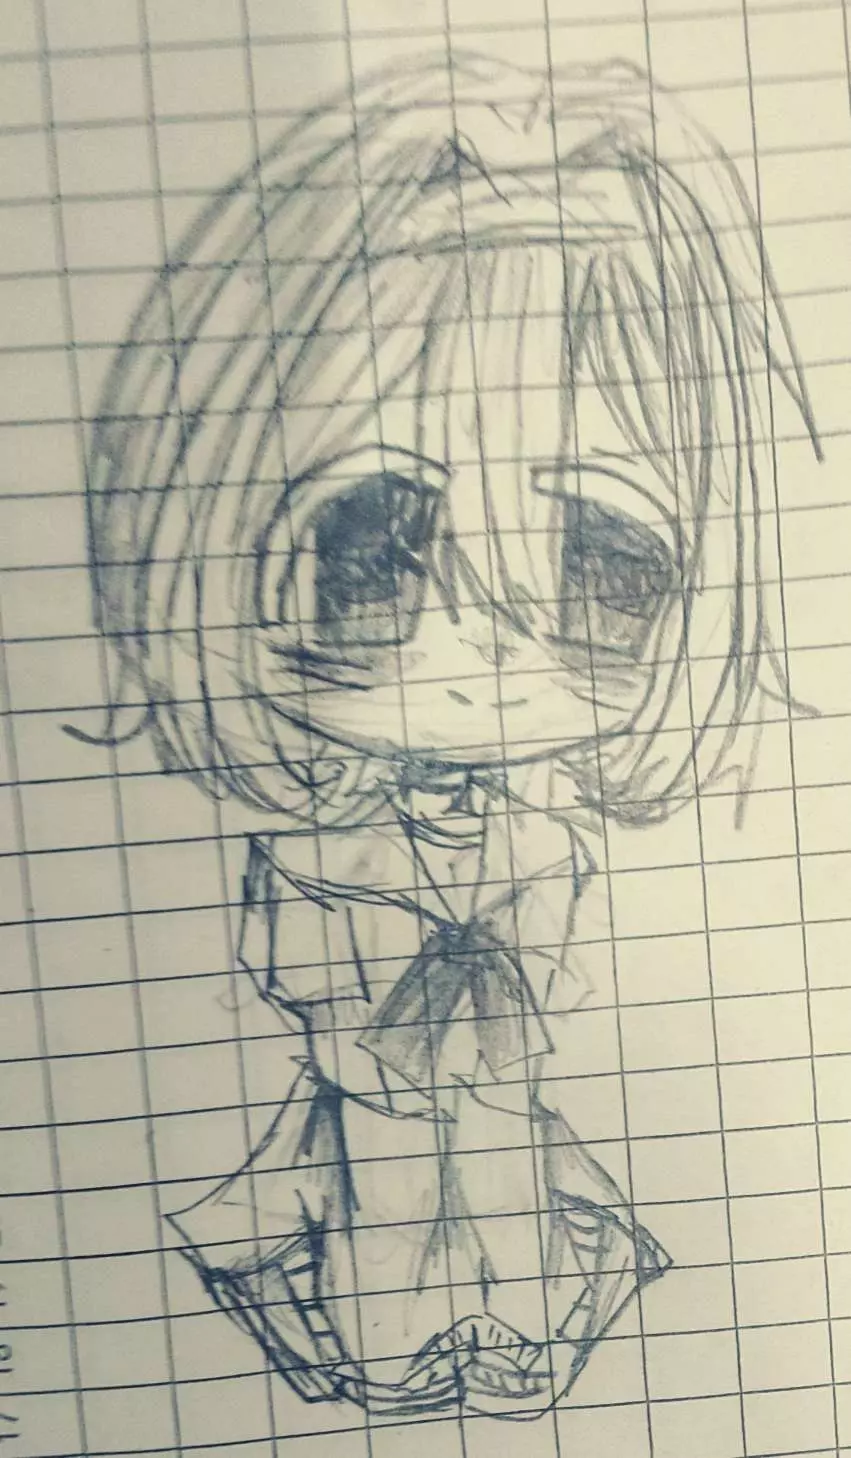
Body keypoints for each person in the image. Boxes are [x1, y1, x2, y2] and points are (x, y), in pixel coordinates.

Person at [84, 53, 821, 1420]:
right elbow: (299, 970)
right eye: (371, 558)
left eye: (605, 567)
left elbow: (552, 965)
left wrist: (492, 971)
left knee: (501, 1190)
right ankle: (395, 1356)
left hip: (494, 1089)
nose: (478, 658)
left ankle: (503, 1344)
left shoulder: (536, 838)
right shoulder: (324, 847)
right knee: (384, 1205)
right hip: (374, 1089)